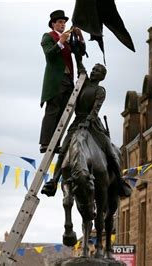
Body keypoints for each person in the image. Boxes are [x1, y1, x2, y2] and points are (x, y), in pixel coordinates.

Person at [41, 64, 131, 198]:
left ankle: (120, 181)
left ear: (102, 77)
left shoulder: (100, 91)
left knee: (110, 151)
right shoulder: (83, 82)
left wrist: (88, 121)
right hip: (77, 122)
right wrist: (79, 48)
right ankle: (54, 181)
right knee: (63, 151)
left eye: (98, 71)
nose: (94, 72)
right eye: (93, 69)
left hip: (93, 124)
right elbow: (80, 64)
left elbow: (96, 109)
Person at [39, 10, 86, 153]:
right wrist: (60, 41)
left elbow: (80, 52)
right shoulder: (48, 37)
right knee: (52, 110)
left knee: (62, 113)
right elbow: (49, 55)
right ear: (53, 24)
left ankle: (55, 143)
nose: (63, 24)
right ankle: (45, 143)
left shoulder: (67, 38)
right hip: (55, 80)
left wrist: (80, 37)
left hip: (67, 79)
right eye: (59, 22)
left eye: (64, 22)